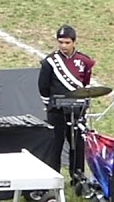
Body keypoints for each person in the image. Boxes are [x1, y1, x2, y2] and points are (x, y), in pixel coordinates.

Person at [38, 25, 95, 176]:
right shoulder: (50, 62)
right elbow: (43, 86)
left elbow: (86, 84)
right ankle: (53, 176)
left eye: (67, 42)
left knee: (78, 144)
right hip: (56, 111)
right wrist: (49, 105)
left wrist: (82, 105)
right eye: (61, 42)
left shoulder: (84, 61)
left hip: (77, 111)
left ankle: (77, 177)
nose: (63, 46)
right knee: (55, 145)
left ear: (74, 42)